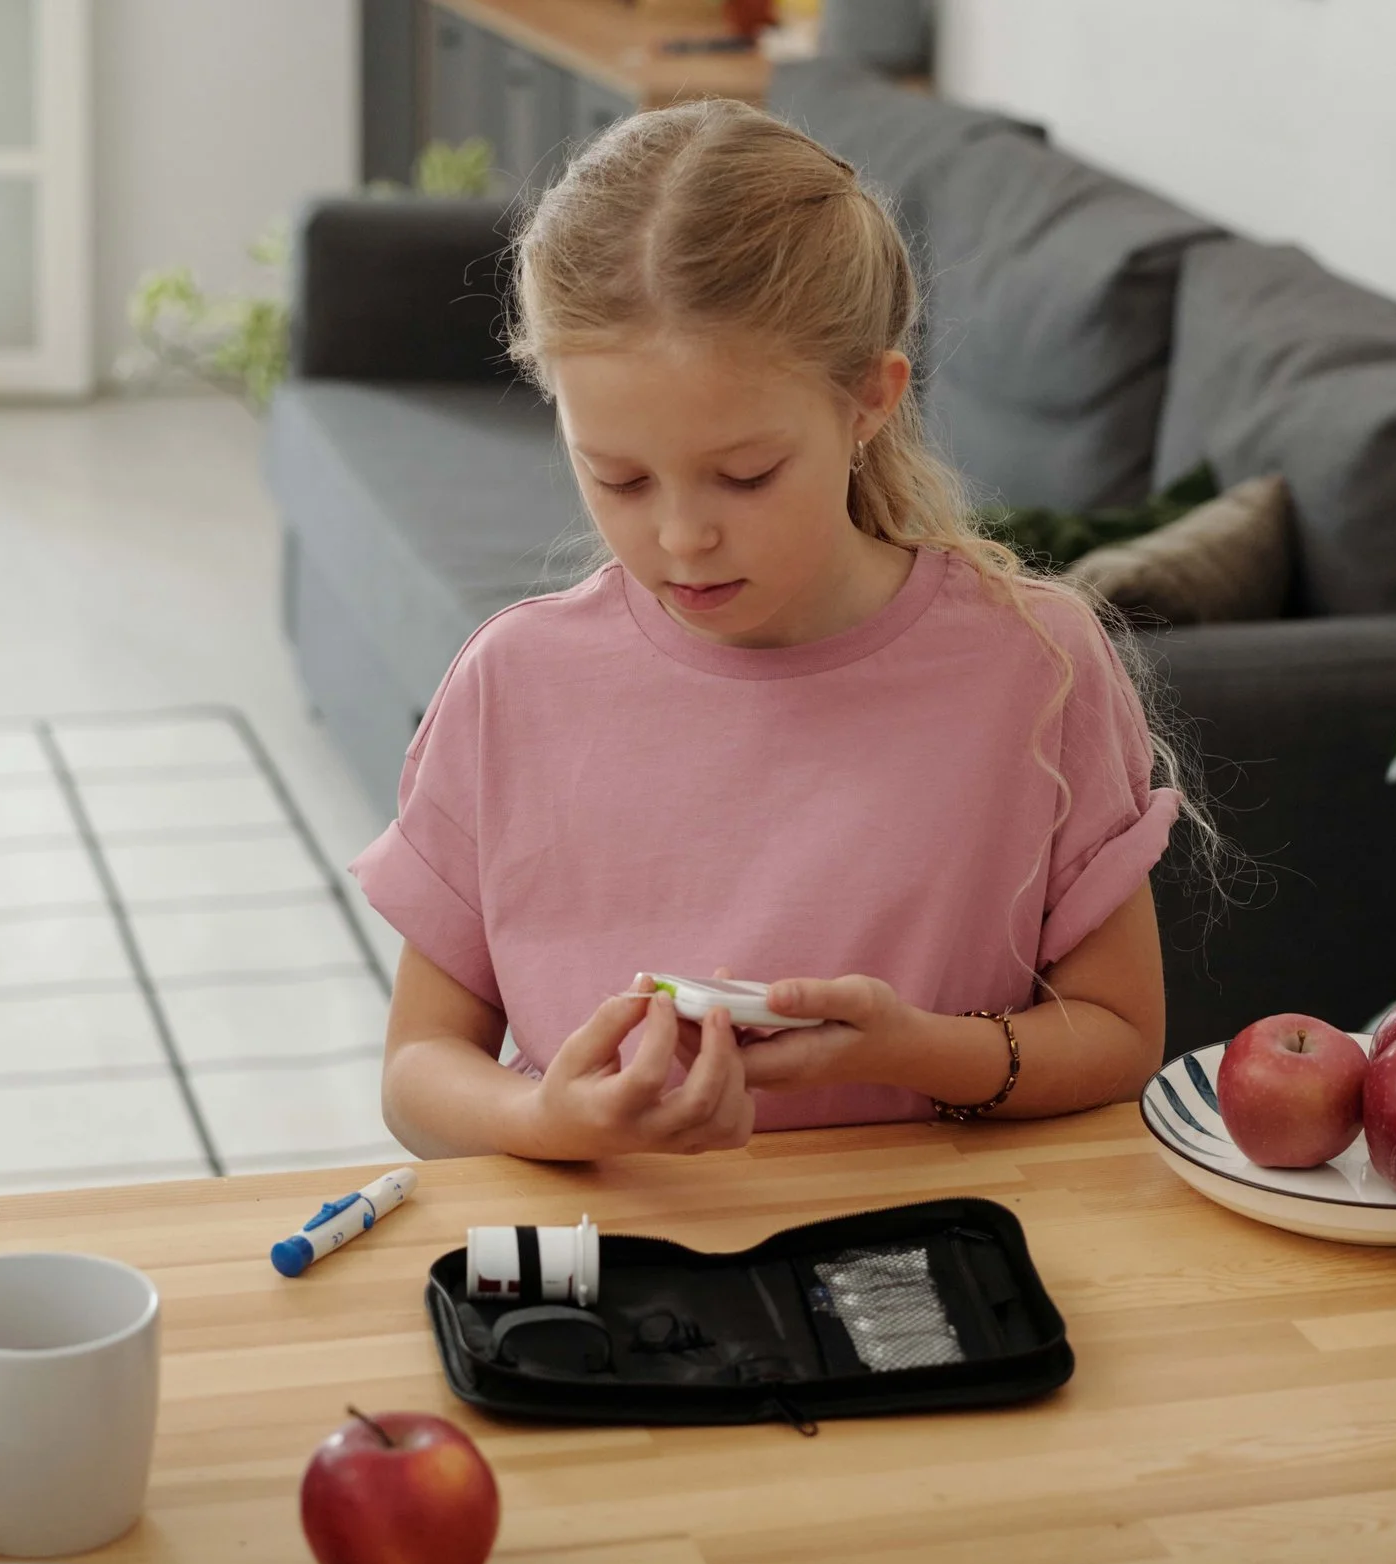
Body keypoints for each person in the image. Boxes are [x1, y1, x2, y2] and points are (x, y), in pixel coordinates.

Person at [354, 99, 1217, 1161]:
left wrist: (913, 1048)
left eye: (746, 473)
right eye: (615, 476)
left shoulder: (1033, 665)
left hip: (926, 1256)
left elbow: (1120, 1036)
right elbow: (415, 1071)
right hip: (616, 1256)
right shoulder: (513, 681)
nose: (681, 537)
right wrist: (542, 1115)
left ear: (868, 400)